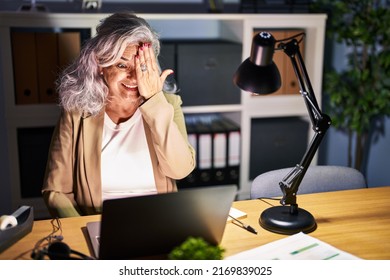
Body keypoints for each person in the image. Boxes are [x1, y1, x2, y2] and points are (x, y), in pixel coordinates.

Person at [42, 12, 196, 218]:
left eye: (142, 66)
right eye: (122, 65)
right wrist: (83, 230)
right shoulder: (75, 112)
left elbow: (180, 170)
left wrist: (154, 100)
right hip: (98, 222)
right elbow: (56, 191)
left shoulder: (166, 105)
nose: (134, 77)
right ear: (100, 65)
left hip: (159, 220)